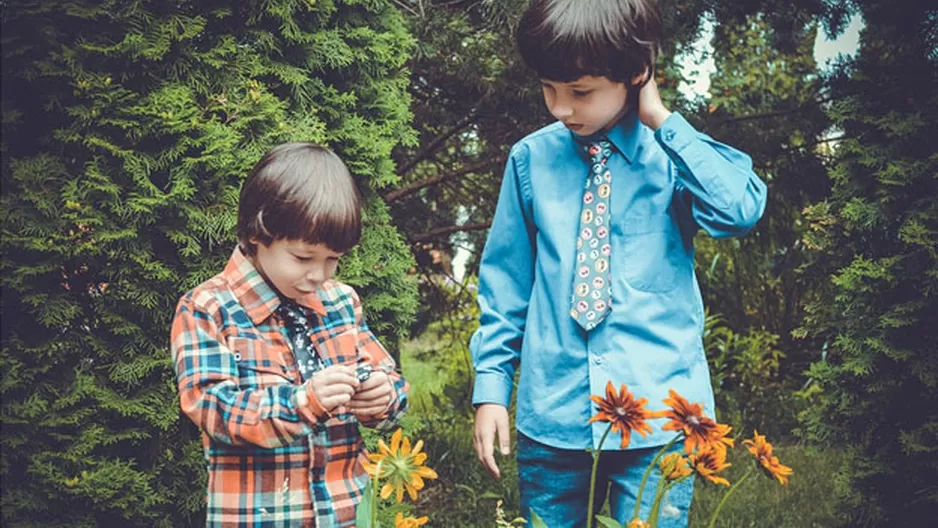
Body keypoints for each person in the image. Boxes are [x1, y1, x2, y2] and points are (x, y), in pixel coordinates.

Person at [470, 0, 768, 526]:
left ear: (636, 73)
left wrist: (659, 118)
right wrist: (493, 387)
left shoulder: (671, 158)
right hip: (552, 421)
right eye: (548, 88)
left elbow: (739, 210)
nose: (561, 107)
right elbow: (506, 286)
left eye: (580, 91)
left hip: (659, 423)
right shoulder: (529, 161)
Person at [170, 143, 408, 527]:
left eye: (333, 259)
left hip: (346, 515)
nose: (319, 275)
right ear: (256, 234)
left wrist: (382, 397)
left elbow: (391, 385)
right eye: (303, 258)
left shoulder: (342, 303)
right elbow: (214, 409)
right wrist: (302, 403)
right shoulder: (207, 308)